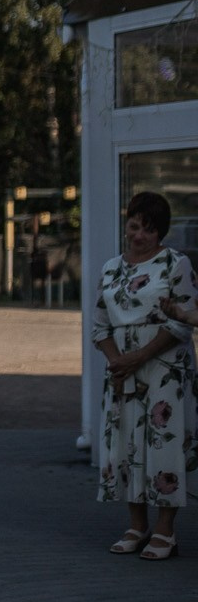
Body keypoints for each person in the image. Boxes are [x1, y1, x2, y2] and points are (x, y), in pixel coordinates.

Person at [97, 191, 195, 561]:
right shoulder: (110, 268)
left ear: (161, 233)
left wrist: (138, 357)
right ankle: (136, 525)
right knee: (126, 442)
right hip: (122, 370)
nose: (139, 235)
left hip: (164, 369)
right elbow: (99, 325)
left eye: (149, 230)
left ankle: (166, 529)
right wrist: (117, 362)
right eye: (134, 226)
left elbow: (183, 322)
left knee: (163, 444)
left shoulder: (176, 264)